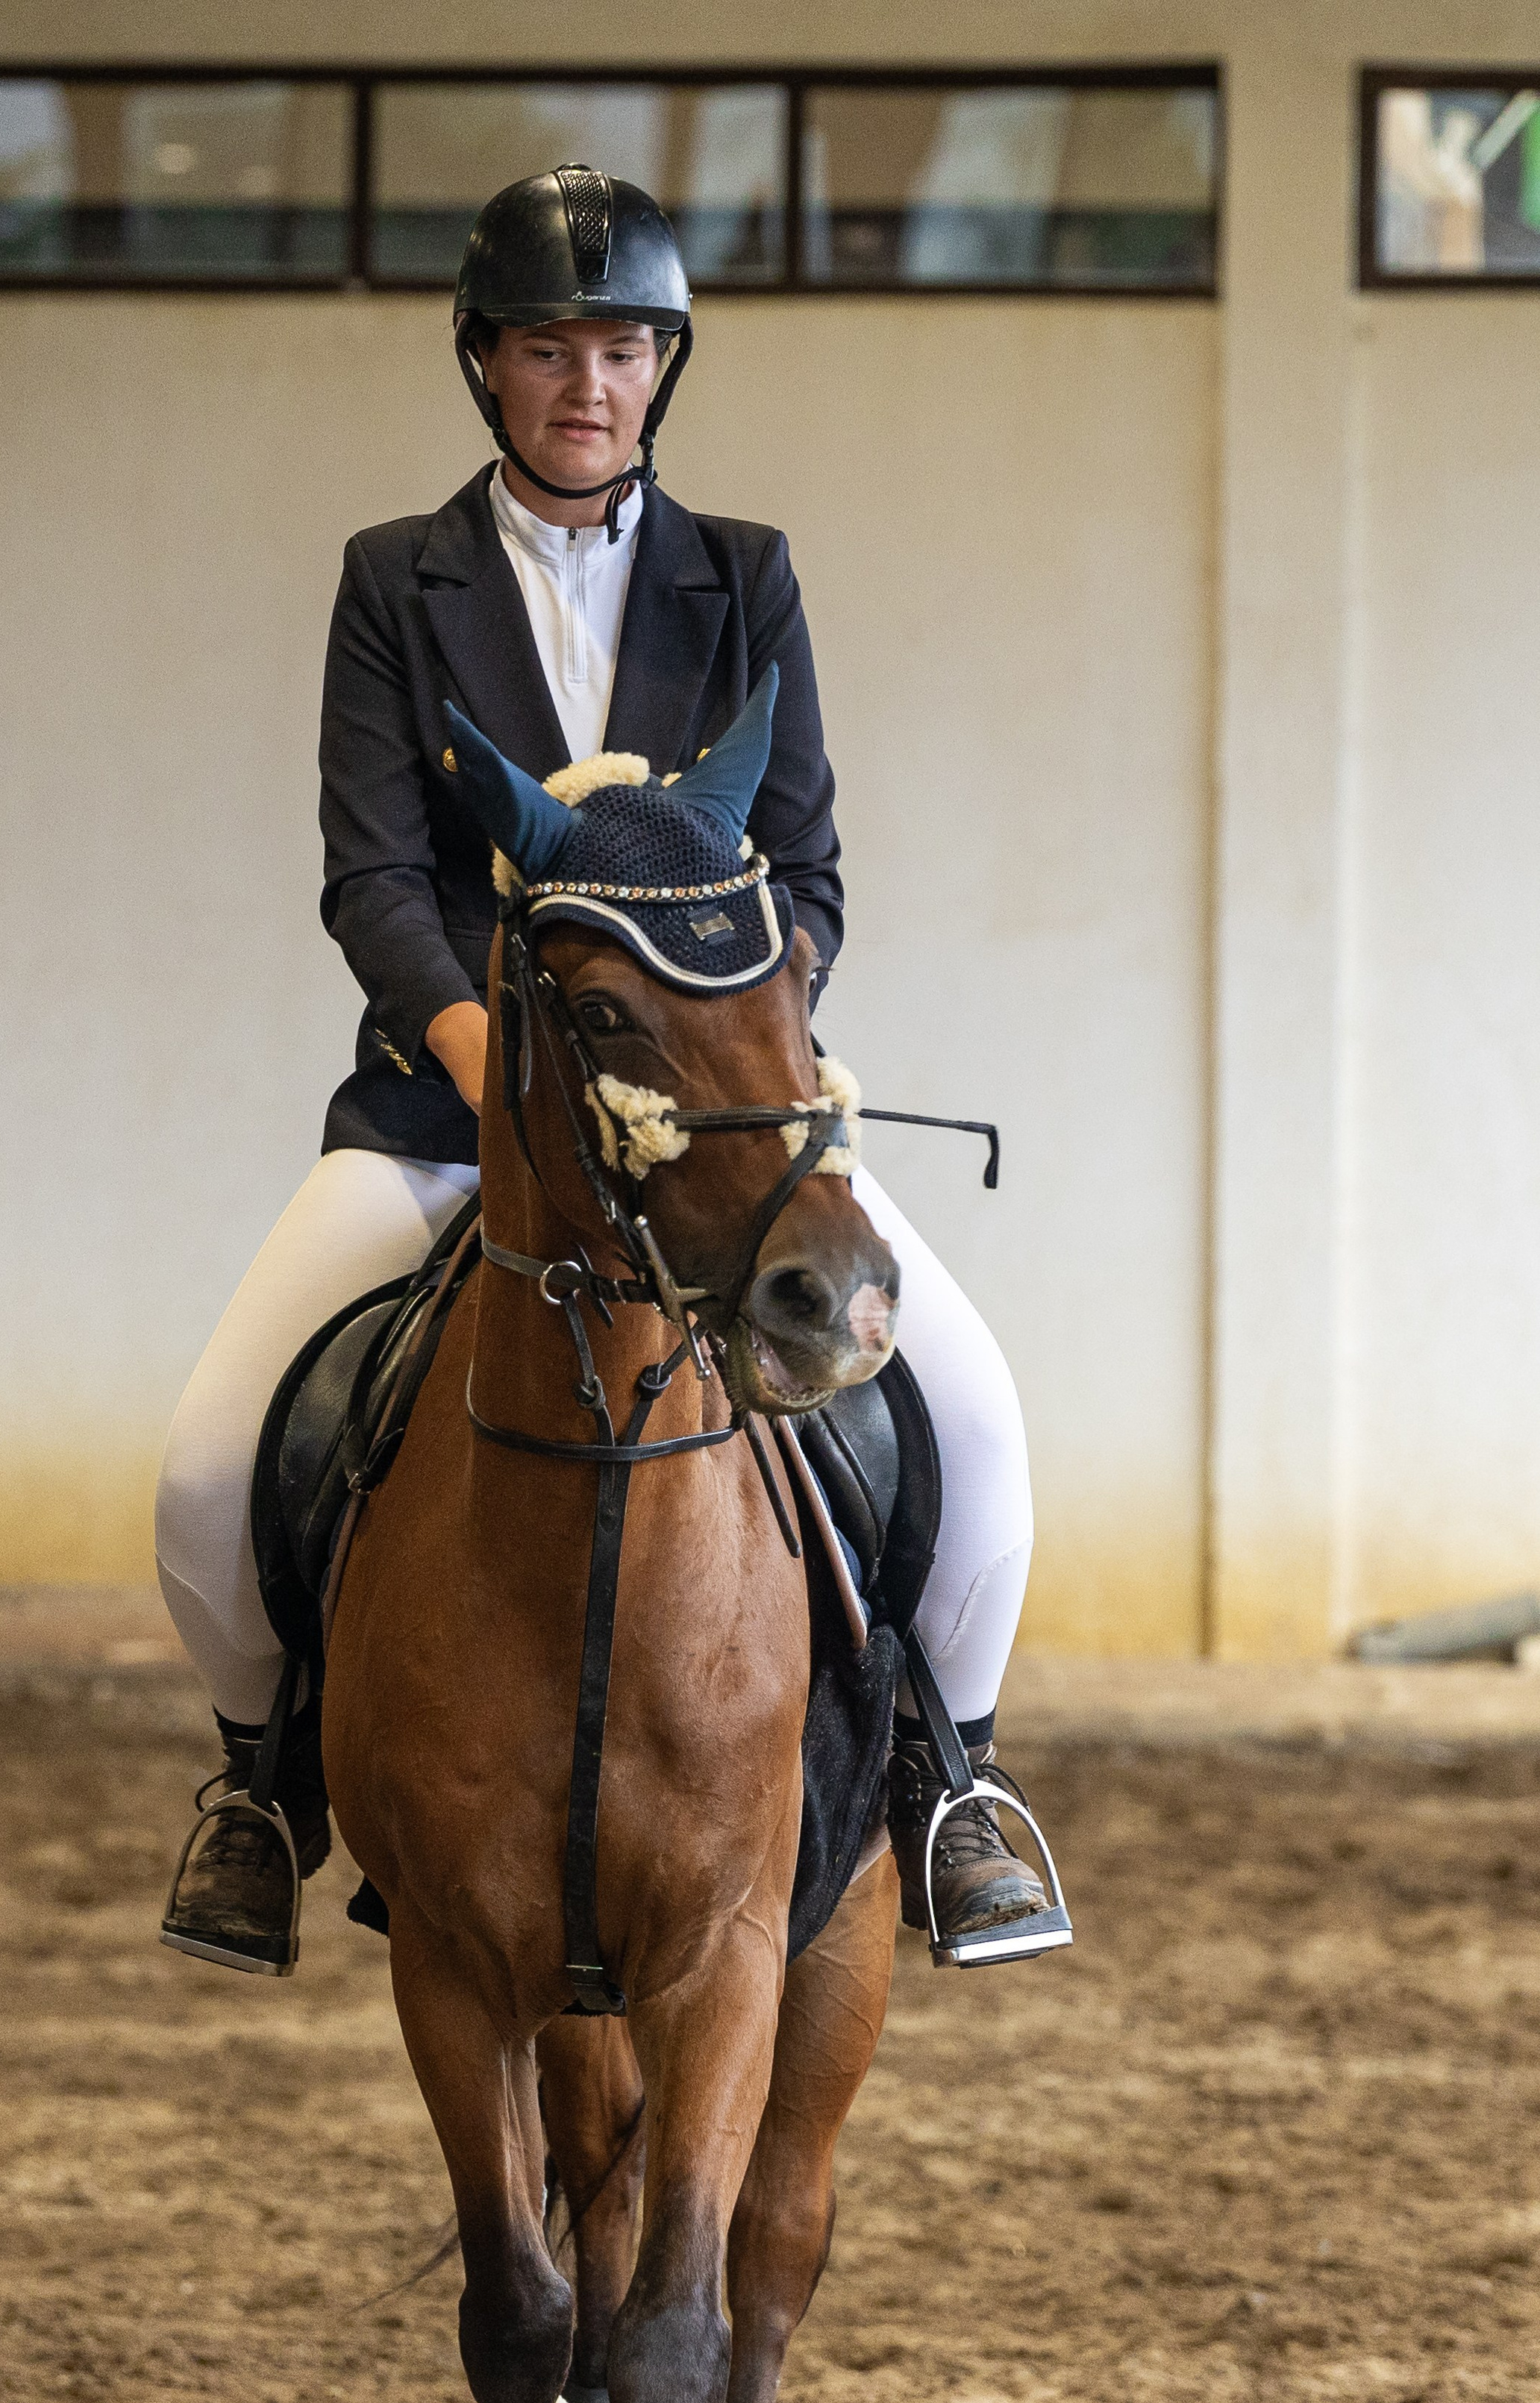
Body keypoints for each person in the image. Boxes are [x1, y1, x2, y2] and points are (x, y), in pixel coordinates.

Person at [152, 164, 1054, 1975]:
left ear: (665, 368)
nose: (591, 380)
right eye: (553, 346)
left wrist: (734, 1064)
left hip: (709, 1120)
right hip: (450, 1116)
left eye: (627, 345)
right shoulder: (388, 587)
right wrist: (493, 1065)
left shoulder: (748, 581)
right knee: (203, 1470)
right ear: (484, 365)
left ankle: (951, 1786)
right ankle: (260, 1789)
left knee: (970, 1423)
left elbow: (801, 876)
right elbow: (373, 880)